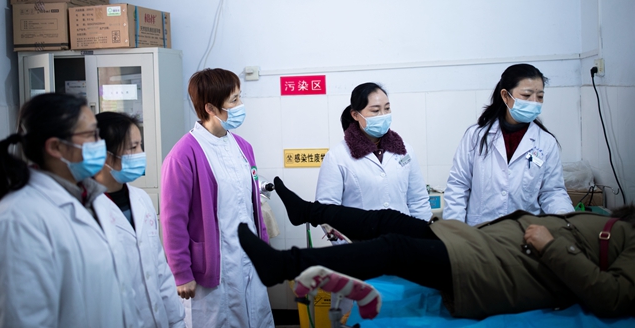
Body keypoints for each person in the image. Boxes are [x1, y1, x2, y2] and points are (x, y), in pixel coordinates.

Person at [238, 177, 635, 320]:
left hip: (499, 268)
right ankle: (306, 211)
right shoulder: (623, 226)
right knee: (389, 220)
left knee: (394, 248)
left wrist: (551, 246)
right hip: (483, 243)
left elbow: (613, 297)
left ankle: (284, 264)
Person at [0, 93, 136, 327]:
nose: (100, 143)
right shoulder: (17, 220)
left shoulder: (91, 199)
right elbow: (22, 318)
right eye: (91, 135)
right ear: (56, 147)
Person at [160, 68, 274, 328]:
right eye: (234, 100)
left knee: (256, 319)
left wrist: (266, 252)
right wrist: (181, 272)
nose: (241, 105)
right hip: (214, 268)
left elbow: (252, 207)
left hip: (250, 259)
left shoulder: (243, 147)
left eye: (239, 97)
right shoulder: (183, 155)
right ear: (210, 108)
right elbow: (172, 220)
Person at [444, 64, 574, 226]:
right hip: (481, 231)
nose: (534, 102)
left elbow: (552, 192)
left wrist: (566, 222)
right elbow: (458, 186)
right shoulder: (476, 136)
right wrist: (454, 231)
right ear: (505, 96)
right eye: (526, 95)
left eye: (540, 96)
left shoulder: (546, 142)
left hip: (523, 232)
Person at [93, 112, 185, 328]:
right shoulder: (88, 210)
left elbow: (160, 268)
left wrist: (177, 320)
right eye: (132, 148)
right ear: (104, 155)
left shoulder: (141, 199)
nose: (140, 154)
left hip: (158, 319)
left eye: (140, 145)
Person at [316, 82, 432, 222]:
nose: (383, 115)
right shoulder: (337, 156)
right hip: (359, 235)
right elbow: (327, 209)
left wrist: (424, 233)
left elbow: (418, 200)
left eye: (387, 108)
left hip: (403, 234)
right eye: (375, 111)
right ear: (355, 115)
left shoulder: (404, 151)